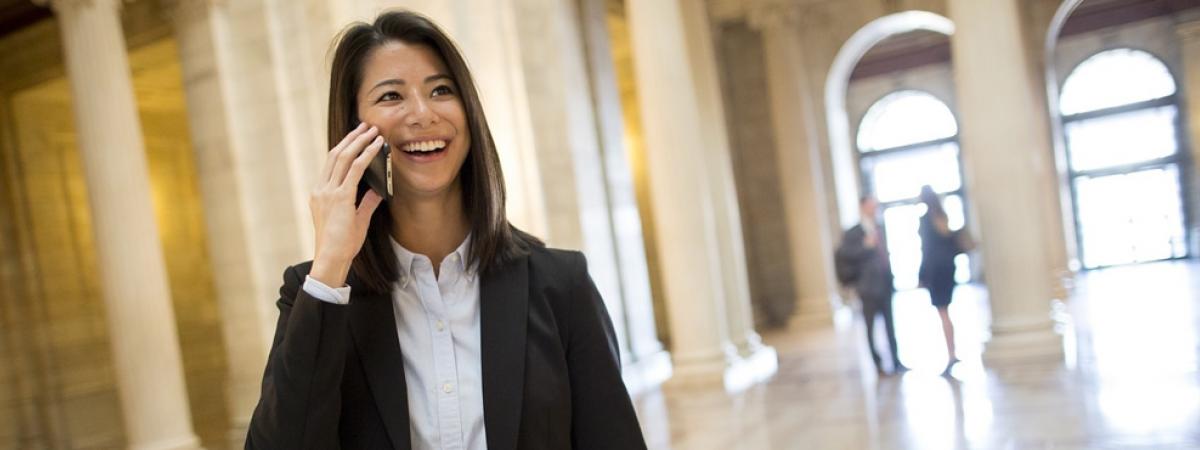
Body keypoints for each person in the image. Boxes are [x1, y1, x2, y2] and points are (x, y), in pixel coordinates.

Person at [245, 11, 646, 450]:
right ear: (354, 131)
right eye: (391, 96)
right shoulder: (317, 294)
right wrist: (331, 265)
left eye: (441, 90)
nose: (422, 113)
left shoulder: (560, 286)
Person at [836, 195, 906, 375]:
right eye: (870, 206)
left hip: (885, 283)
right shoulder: (853, 232)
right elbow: (844, 255)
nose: (874, 209)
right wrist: (865, 247)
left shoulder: (880, 227)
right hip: (866, 287)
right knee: (870, 327)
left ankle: (896, 361)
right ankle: (878, 363)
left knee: (891, 325)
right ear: (862, 207)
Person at [918, 185, 961, 376]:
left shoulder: (926, 220)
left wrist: (921, 276)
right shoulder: (942, 216)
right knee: (946, 312)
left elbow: (926, 250)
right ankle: (953, 352)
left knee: (943, 313)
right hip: (948, 268)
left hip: (936, 271)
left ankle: (951, 354)